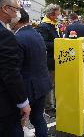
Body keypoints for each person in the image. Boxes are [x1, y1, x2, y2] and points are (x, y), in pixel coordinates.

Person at [11, 8, 52, 137]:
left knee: (16, 122)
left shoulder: (17, 38)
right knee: (38, 119)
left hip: (28, 88)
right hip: (42, 84)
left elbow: (15, 68)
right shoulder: (36, 33)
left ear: (17, 19)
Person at [0, 0, 31, 136]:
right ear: (5, 8)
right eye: (16, 9)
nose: (17, 13)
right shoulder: (6, 35)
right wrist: (23, 102)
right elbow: (10, 72)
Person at [36, 4, 62, 117]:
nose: (59, 16)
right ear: (51, 14)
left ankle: (55, 105)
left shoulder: (54, 24)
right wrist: (59, 43)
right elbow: (43, 44)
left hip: (58, 59)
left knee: (56, 84)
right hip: (49, 61)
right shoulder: (43, 26)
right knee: (49, 85)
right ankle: (49, 108)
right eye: (58, 14)